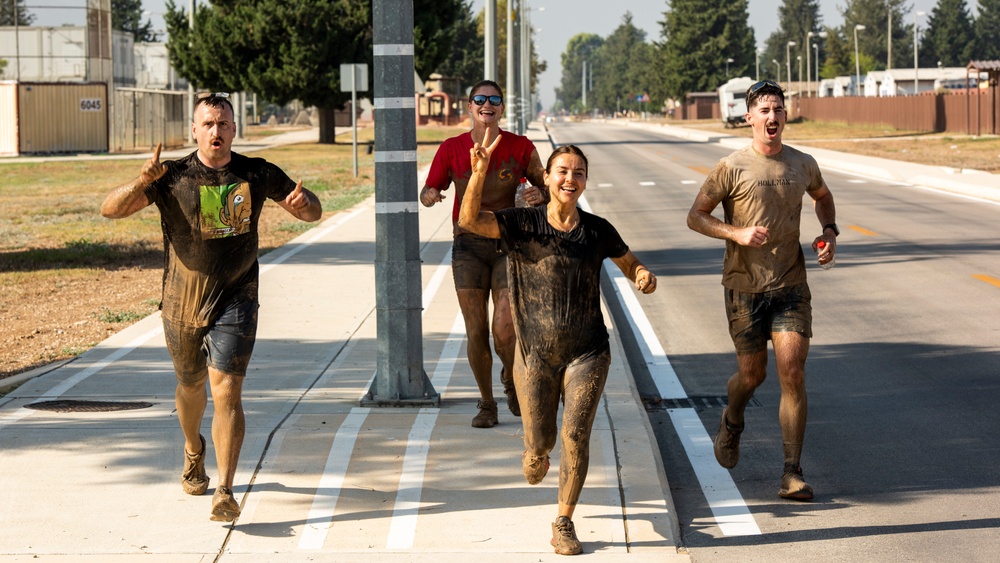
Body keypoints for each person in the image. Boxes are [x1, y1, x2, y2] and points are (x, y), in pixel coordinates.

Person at [100, 93, 322, 521]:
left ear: (234, 129)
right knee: (191, 387)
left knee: (227, 391)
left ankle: (225, 489)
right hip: (182, 302)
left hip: (237, 297)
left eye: (224, 124)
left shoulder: (256, 173)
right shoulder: (172, 176)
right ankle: (192, 448)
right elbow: (110, 210)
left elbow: (311, 212)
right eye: (208, 124)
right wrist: (140, 181)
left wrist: (304, 203)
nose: (216, 131)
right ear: (195, 130)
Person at [458, 136, 657, 555]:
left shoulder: (597, 230)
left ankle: (564, 521)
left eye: (579, 173)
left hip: (588, 350)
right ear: (546, 178)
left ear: (584, 182)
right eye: (563, 171)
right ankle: (534, 448)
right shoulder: (521, 223)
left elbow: (629, 261)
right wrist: (478, 174)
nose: (571, 178)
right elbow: (470, 221)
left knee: (576, 435)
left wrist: (641, 275)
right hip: (534, 356)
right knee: (543, 444)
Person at [686, 79, 837, 501]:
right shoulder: (731, 167)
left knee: (793, 373)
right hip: (743, 288)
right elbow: (696, 216)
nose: (772, 117)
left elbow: (823, 196)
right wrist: (736, 232)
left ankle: (791, 472)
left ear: (785, 115)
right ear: (748, 117)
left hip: (790, 284)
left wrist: (828, 232)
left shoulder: (803, 163)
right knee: (753, 375)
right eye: (764, 111)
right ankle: (732, 419)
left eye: (778, 110)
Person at [419, 80, 546, 428]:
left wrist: (540, 194)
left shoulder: (520, 147)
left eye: (494, 100)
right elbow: (430, 188)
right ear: (469, 106)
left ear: (501, 108)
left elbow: (545, 183)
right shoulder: (452, 148)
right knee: (475, 330)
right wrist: (430, 195)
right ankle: (487, 403)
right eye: (480, 99)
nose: (486, 104)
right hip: (468, 246)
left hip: (509, 244)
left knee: (504, 329)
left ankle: (509, 376)